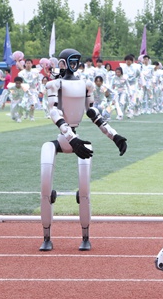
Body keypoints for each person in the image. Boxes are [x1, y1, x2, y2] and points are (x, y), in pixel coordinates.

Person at [38, 48, 127, 251]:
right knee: (45, 185)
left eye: (76, 60)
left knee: (84, 190)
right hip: (64, 139)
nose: (74, 64)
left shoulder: (85, 84)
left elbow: (92, 112)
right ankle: (46, 236)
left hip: (76, 138)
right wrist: (72, 138)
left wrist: (114, 135)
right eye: (71, 61)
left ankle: (85, 235)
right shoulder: (54, 84)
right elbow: (54, 111)